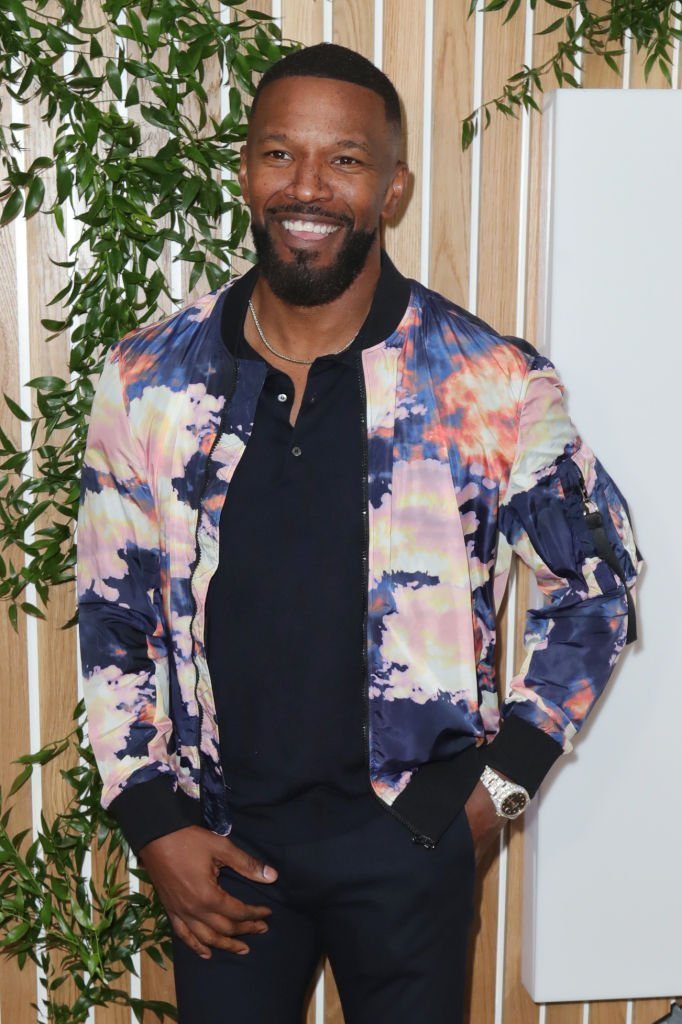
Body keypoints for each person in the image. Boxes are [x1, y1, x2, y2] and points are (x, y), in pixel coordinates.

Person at [77, 43, 640, 1024]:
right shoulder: (148, 380)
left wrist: (491, 801)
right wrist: (152, 821)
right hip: (219, 846)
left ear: (391, 186)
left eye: (343, 159)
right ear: (245, 170)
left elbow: (594, 586)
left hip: (411, 842)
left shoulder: (486, 383)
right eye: (278, 154)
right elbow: (113, 608)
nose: (307, 186)